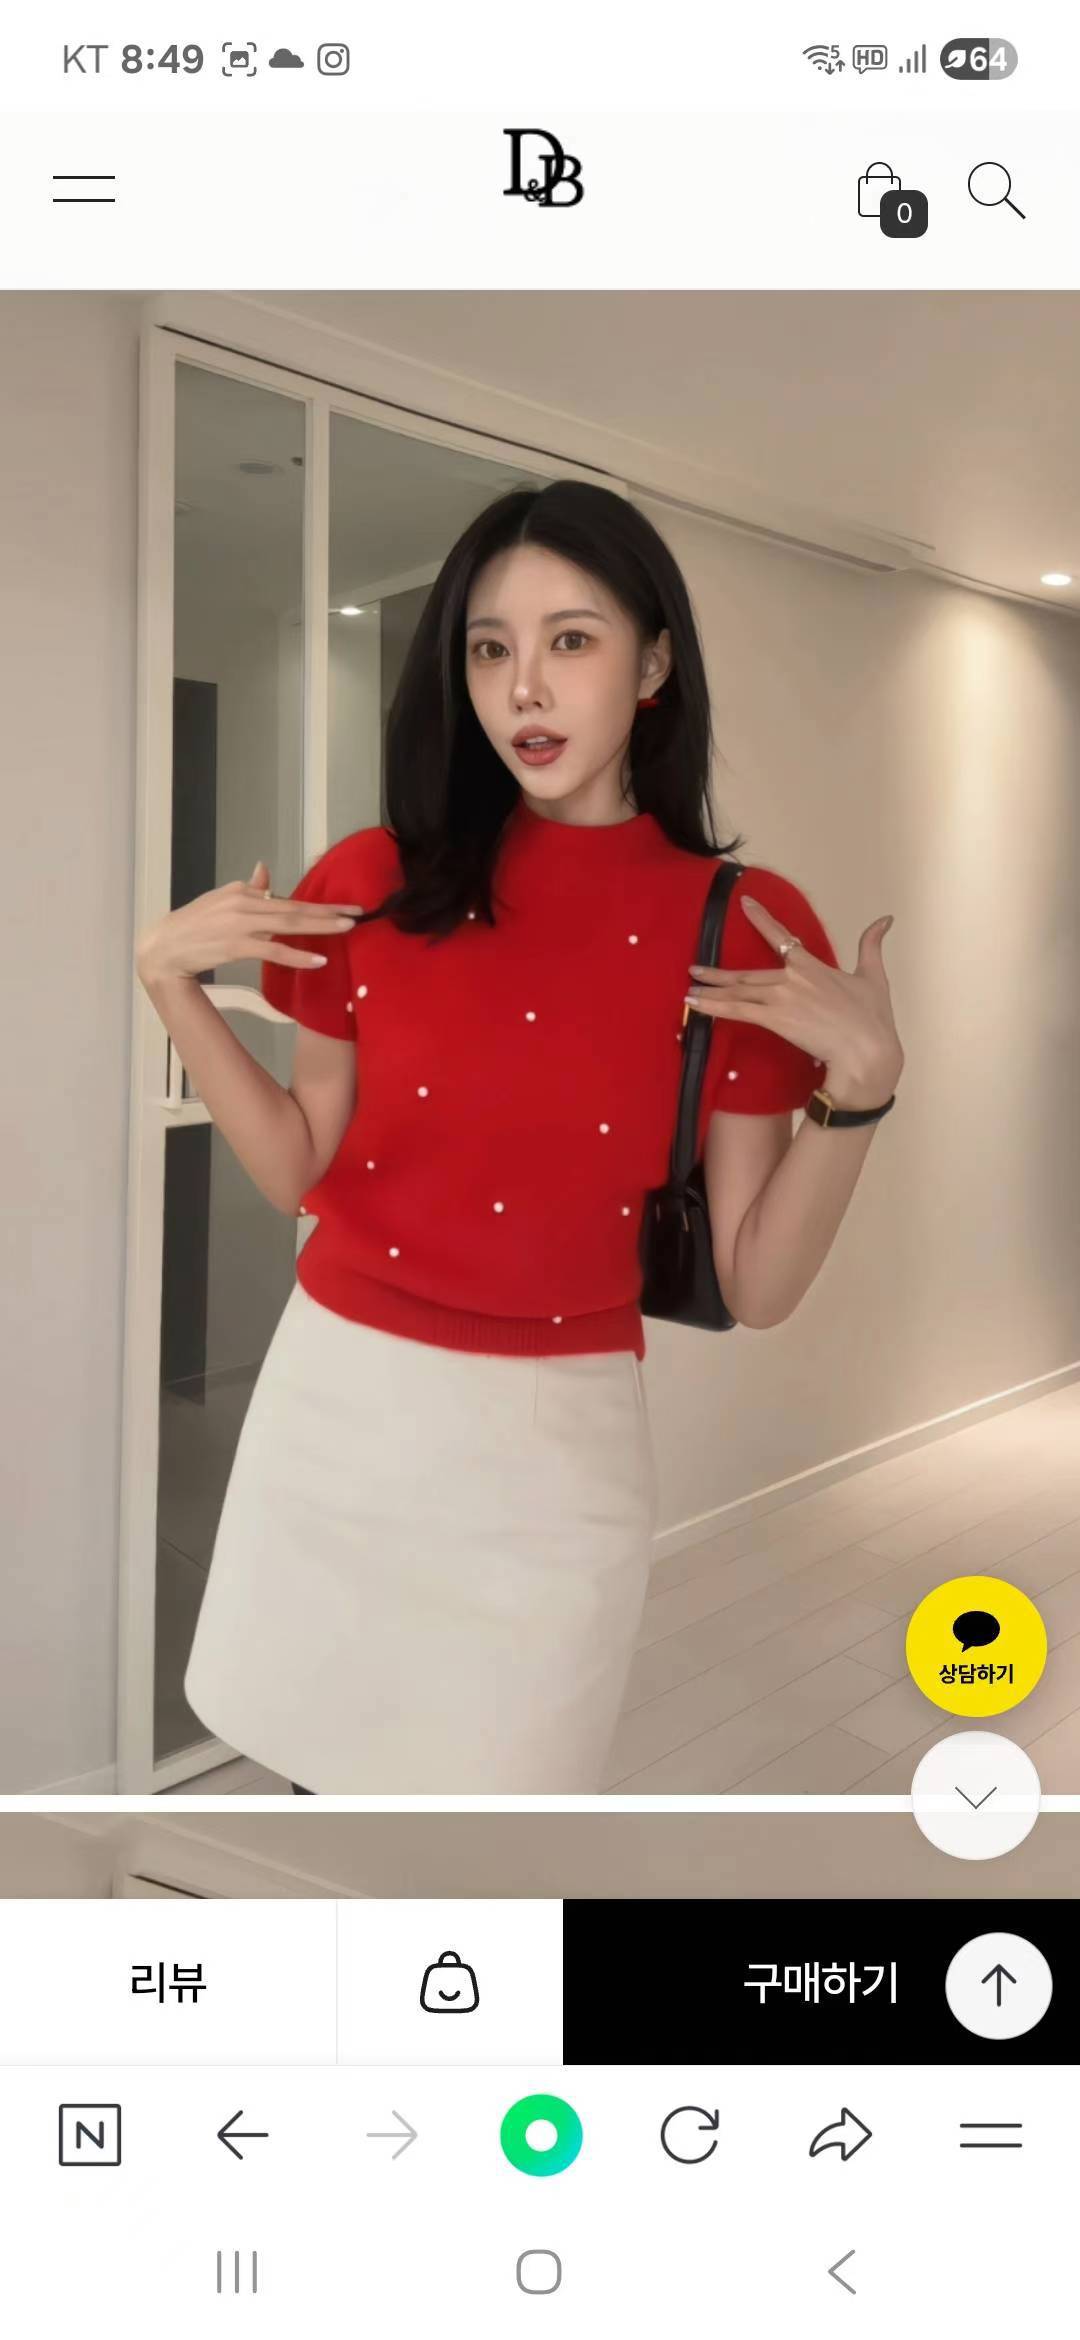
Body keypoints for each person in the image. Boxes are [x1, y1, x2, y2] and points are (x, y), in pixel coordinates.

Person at [136, 478, 903, 1792]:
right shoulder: (374, 882)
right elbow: (294, 1167)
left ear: (653, 665)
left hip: (555, 1453)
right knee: (315, 1797)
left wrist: (865, 1090)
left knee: (496, 1825)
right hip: (336, 1411)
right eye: (489, 649)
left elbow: (758, 1282)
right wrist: (171, 986)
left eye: (571, 640)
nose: (524, 689)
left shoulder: (741, 924)